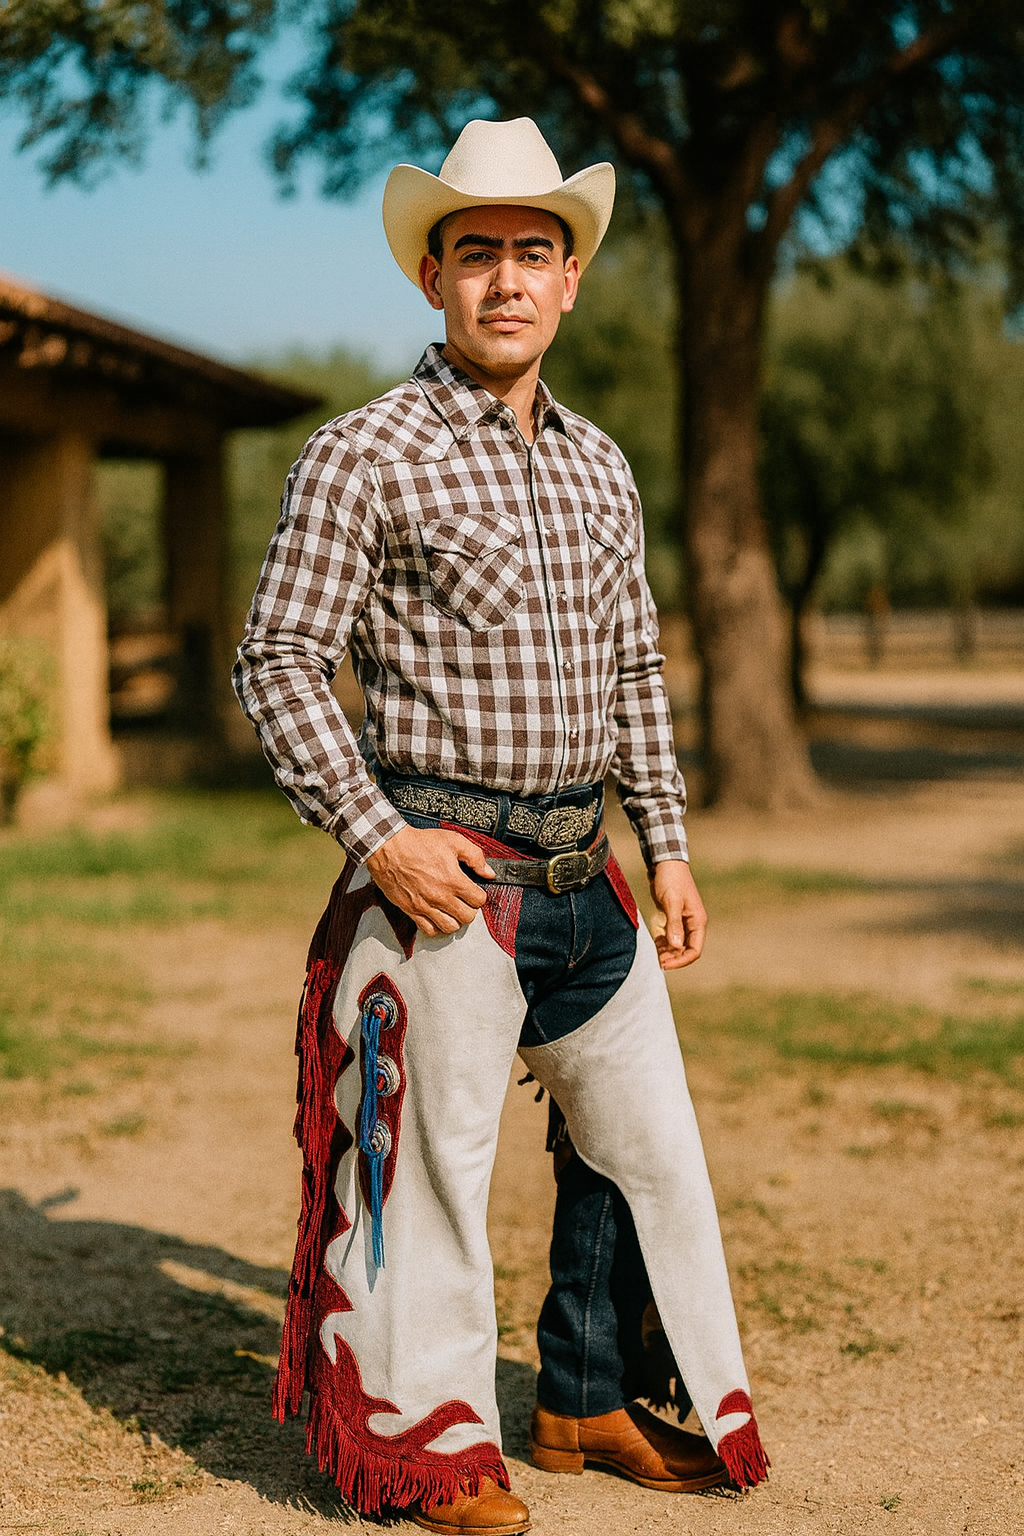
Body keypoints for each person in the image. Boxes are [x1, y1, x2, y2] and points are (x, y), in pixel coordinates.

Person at [234, 116, 768, 1536]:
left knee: (636, 1152)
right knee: (431, 1171)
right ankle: (435, 1442)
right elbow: (277, 660)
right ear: (432, 277)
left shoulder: (602, 465)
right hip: (446, 880)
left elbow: (636, 665)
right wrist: (377, 839)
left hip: (592, 876)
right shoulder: (364, 452)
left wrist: (668, 841)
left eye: (537, 252)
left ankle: (586, 1398)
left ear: (572, 280)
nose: (509, 279)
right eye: (478, 253)